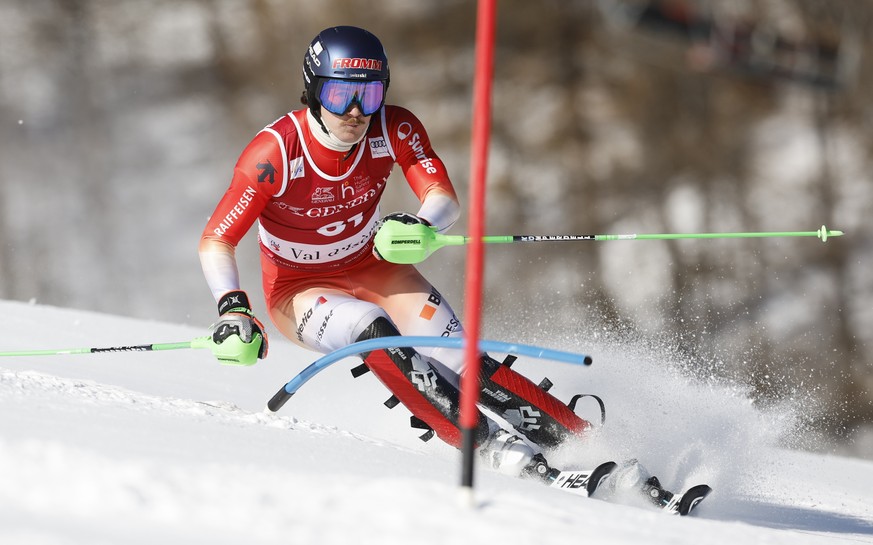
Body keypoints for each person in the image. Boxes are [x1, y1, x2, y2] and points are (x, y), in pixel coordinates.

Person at [198, 25, 669, 500]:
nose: (357, 112)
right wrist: (233, 308)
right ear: (314, 91)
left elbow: (442, 197)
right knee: (372, 330)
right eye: (341, 95)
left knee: (458, 357)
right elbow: (217, 239)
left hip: (373, 267)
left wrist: (423, 225)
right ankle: (491, 448)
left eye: (371, 93)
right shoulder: (274, 153)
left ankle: (585, 443)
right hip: (298, 291)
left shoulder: (394, 127)